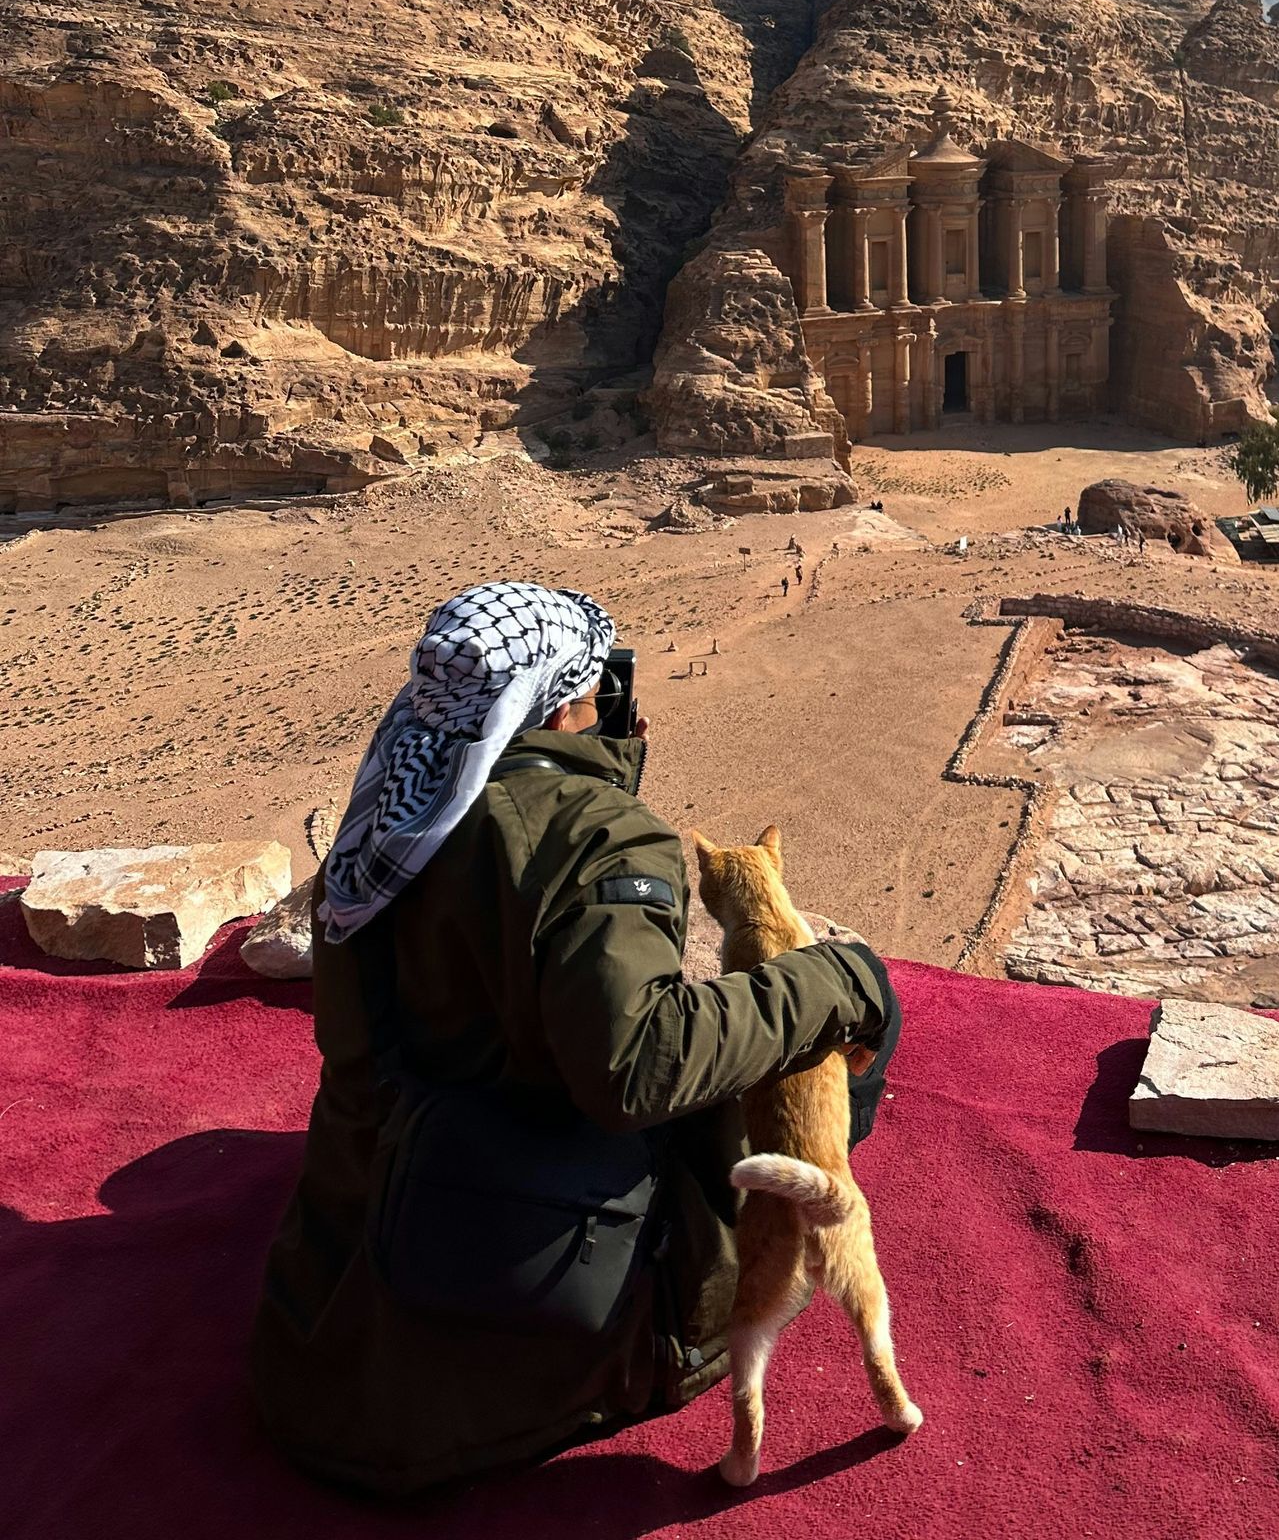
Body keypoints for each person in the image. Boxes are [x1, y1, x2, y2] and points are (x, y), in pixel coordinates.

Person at [249, 581, 894, 1496]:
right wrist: (839, 980)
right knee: (820, 1025)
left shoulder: (394, 812)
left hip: (331, 1313)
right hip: (510, 1331)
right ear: (557, 703)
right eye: (597, 684)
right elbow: (637, 1070)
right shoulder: (598, 836)